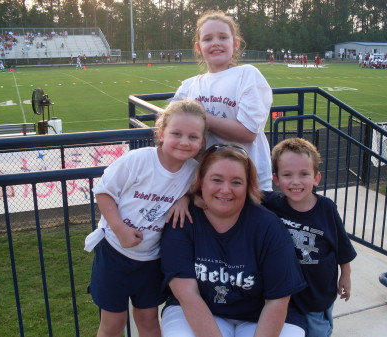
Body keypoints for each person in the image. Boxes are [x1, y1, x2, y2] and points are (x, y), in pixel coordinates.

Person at [84, 99, 207, 337]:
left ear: (202, 142)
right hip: (114, 252)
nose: (184, 141)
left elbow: (200, 196)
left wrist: (186, 199)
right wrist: (120, 229)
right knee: (113, 322)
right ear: (161, 133)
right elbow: (103, 192)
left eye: (193, 137)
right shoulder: (138, 160)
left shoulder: (194, 172)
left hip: (152, 259)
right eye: (176, 133)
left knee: (148, 319)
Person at [160, 143, 307, 337]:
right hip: (201, 310)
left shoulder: (267, 225)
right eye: (217, 180)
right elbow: (187, 295)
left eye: (237, 182)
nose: (226, 190)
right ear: (201, 181)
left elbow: (277, 300)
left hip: (259, 314)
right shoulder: (183, 219)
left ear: (248, 186)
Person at [262, 138, 357, 337]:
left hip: (317, 295)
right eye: (287, 175)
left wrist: (345, 275)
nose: (296, 181)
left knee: (317, 332)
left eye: (304, 174)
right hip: (287, 297)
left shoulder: (326, 208)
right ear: (276, 179)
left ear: (316, 178)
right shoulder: (272, 203)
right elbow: (243, 193)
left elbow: (341, 245)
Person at [172, 10, 273, 191]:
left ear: (235, 44)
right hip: (208, 181)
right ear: (198, 47)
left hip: (250, 181)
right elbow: (170, 125)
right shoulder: (189, 86)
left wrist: (201, 116)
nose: (215, 43)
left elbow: (248, 132)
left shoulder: (247, 75)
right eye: (208, 39)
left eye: (223, 37)